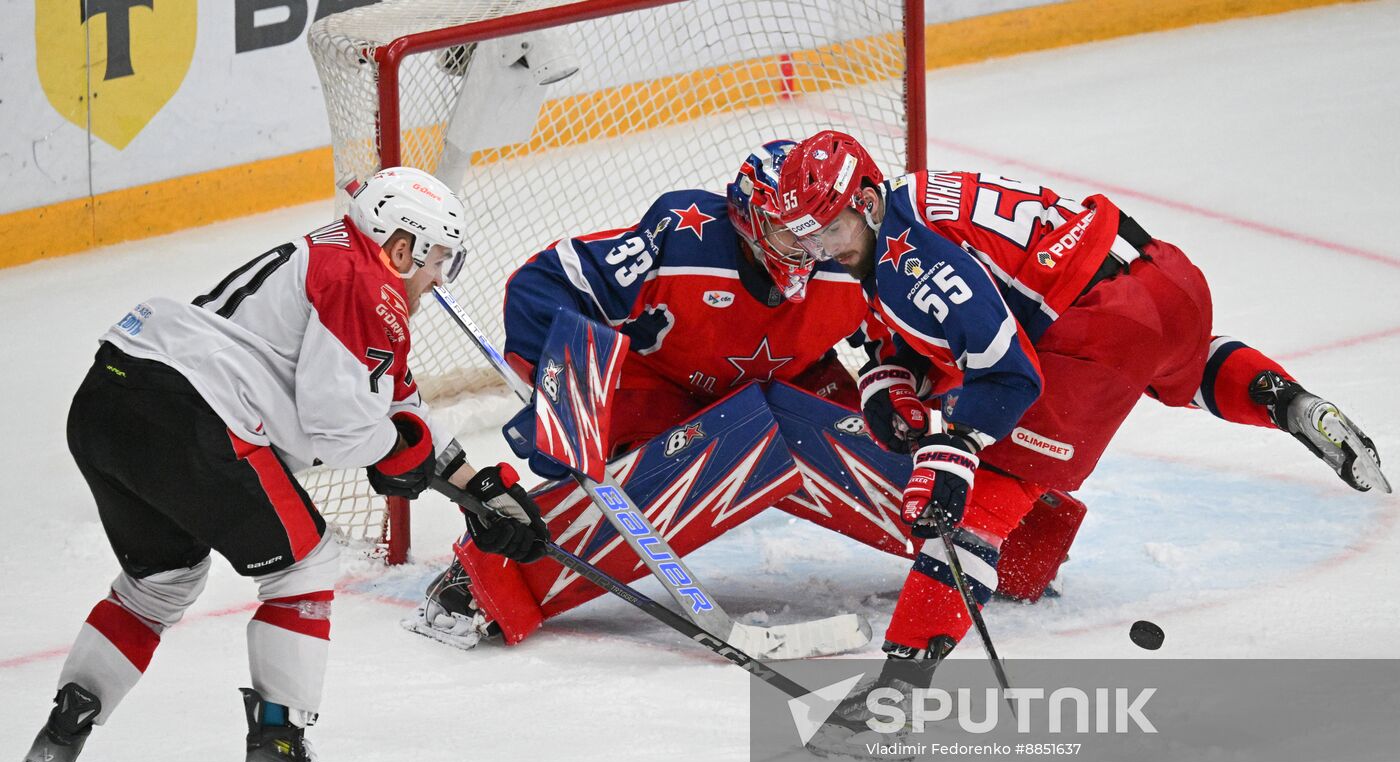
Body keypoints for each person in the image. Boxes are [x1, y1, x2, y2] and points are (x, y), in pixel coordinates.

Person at [772, 130, 1390, 727]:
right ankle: (1285, 401)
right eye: (810, 238)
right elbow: (953, 309)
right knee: (1180, 363)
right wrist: (891, 378)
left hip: (1100, 329)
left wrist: (954, 451)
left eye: (832, 230)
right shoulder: (913, 196)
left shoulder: (910, 261)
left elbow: (1008, 376)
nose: (824, 250)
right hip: (1164, 279)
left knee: (980, 498)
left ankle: (894, 702)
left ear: (865, 202)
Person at [12, 167, 550, 762]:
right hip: (191, 410)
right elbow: (340, 426)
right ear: (402, 245)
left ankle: (58, 736)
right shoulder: (367, 283)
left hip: (111, 396)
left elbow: (396, 405)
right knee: (305, 565)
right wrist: (400, 454)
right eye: (438, 257)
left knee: (160, 583)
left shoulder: (337, 260)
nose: (439, 278)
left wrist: (481, 488)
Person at [405, 140, 903, 650]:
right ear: (750, 218)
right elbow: (546, 283)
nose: (808, 245)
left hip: (791, 385)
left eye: (817, 227)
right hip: (659, 395)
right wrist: (560, 391)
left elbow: (909, 343)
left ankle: (980, 544)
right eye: (789, 228)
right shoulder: (687, 239)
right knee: (749, 434)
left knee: (896, 447)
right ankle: (492, 577)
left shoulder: (851, 251)